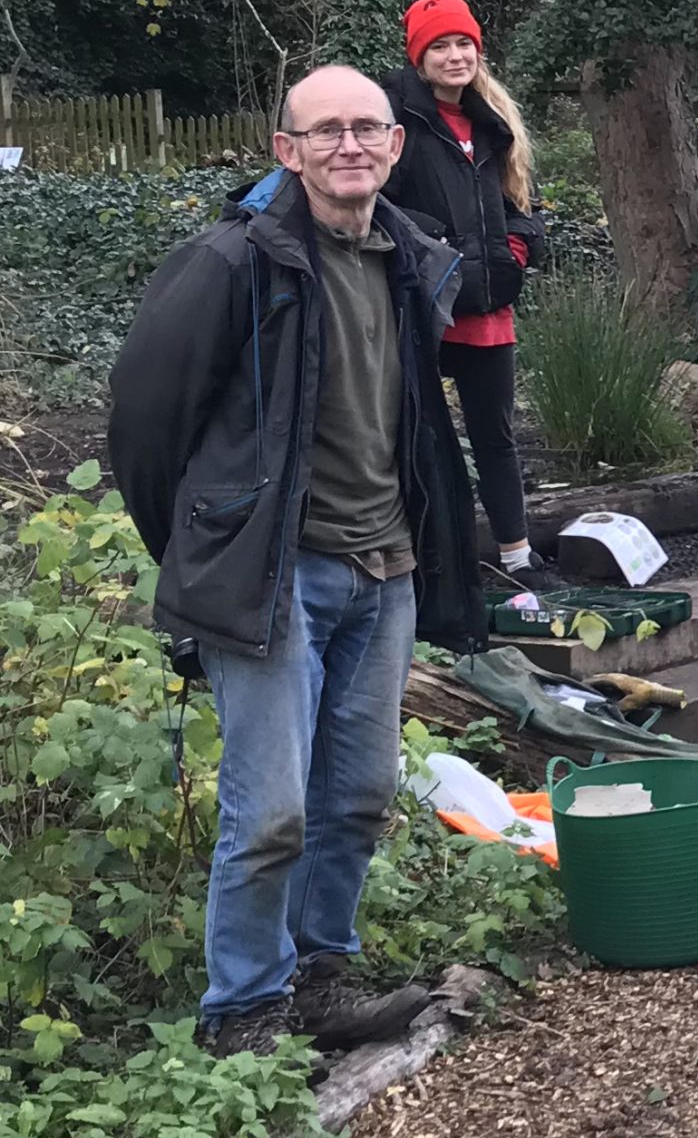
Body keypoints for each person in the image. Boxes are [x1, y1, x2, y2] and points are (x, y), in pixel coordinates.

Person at [109, 66, 483, 1056]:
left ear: (395, 146)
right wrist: (205, 553)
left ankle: (319, 986)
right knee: (270, 811)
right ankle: (242, 1017)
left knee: (356, 796)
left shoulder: (411, 260)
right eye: (325, 132)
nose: (349, 146)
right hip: (275, 575)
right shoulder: (235, 264)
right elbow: (145, 430)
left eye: (367, 129)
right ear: (287, 150)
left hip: (383, 572)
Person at [381, 0, 552, 587]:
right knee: (421, 440)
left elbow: (519, 206)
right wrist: (439, 254)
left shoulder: (491, 122)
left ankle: (518, 559)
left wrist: (517, 250)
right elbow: (381, 207)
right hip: (423, 307)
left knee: (496, 438)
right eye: (440, 46)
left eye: (464, 45)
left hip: (486, 307)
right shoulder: (394, 118)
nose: (455, 56)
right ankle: (430, 567)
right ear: (418, 56)